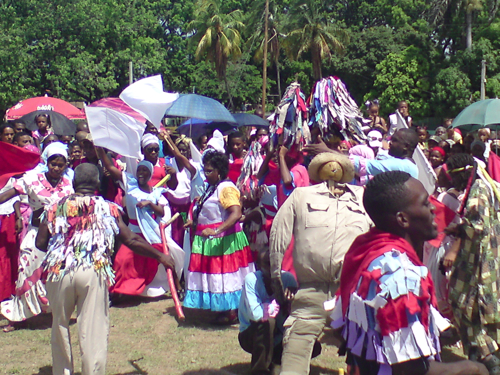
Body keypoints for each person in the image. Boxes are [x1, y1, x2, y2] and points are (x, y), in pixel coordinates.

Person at [329, 170, 487, 375]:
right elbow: (410, 369)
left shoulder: (370, 254)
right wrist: (471, 368)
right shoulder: (401, 277)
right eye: (424, 203)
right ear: (403, 219)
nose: (433, 208)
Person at [35, 163, 176, 375]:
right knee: (93, 330)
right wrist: (161, 257)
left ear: (74, 183)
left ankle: (62, 371)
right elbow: (130, 239)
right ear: (98, 184)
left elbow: (40, 242)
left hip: (59, 271)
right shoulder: (108, 208)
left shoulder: (54, 207)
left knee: (60, 325)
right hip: (93, 270)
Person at [270, 152, 371, 375]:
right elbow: (279, 234)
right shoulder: (301, 196)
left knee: (366, 353)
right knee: (296, 348)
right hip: (310, 291)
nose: (333, 169)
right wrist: (278, 279)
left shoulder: (363, 198)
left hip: (351, 294)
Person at [0, 142, 73, 331]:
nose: (56, 168)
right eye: (53, 164)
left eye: (61, 164)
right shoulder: (32, 179)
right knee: (26, 275)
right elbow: (10, 193)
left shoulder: (68, 184)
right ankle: (17, 318)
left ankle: (53, 311)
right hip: (35, 236)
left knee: (56, 275)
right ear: (46, 162)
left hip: (59, 238)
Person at [97, 148, 179, 298]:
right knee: (122, 260)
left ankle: (177, 286)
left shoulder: (155, 191)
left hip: (149, 232)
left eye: (145, 171)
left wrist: (149, 203)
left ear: (150, 174)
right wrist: (100, 150)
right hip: (132, 230)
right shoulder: (129, 183)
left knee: (165, 256)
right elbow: (109, 167)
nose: (141, 173)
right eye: (139, 170)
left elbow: (161, 212)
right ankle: (118, 292)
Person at [184, 150, 255, 324]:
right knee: (216, 275)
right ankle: (221, 308)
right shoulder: (212, 187)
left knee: (227, 276)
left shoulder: (226, 188)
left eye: (209, 171)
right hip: (211, 240)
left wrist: (216, 231)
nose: (206, 175)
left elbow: (236, 213)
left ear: (219, 171)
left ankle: (232, 311)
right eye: (204, 171)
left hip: (224, 241)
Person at [445, 154, 500, 373]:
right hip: (486, 258)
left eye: (453, 175)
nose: (451, 181)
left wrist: (454, 245)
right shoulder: (486, 185)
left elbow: (476, 226)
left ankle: (485, 358)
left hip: (476, 262)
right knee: (478, 308)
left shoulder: (477, 189)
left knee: (465, 306)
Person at [239, 250, 299, 375]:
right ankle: (259, 370)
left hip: (280, 334)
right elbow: (256, 315)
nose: (273, 269)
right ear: (259, 266)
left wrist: (293, 299)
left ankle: (278, 360)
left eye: (276, 264)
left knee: (312, 344)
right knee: (268, 321)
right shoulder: (251, 280)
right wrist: (274, 307)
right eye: (268, 264)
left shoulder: (287, 279)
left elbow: (297, 311)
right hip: (251, 333)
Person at [350, 128, 419, 182]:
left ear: (406, 146)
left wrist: (341, 158)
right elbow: (370, 179)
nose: (390, 143)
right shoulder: (410, 166)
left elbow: (363, 165)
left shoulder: (401, 165)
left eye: (395, 140)